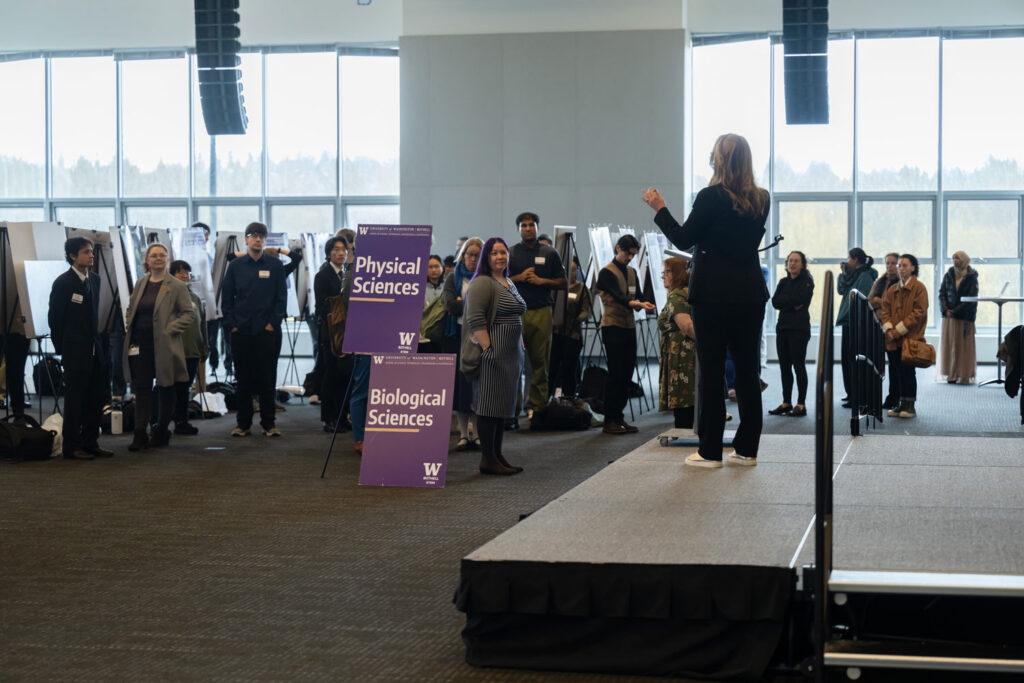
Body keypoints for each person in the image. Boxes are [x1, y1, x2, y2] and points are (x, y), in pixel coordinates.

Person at [642, 133, 770, 468]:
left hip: (712, 294)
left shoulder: (711, 196)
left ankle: (710, 452)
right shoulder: (762, 199)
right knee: (747, 370)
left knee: (711, 372)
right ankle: (747, 451)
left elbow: (684, 239)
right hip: (749, 293)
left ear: (719, 160)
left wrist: (660, 209)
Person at [122, 244, 194, 450]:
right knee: (142, 388)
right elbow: (131, 309)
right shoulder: (140, 284)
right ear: (147, 260)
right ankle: (139, 434)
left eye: (162, 255)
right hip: (140, 345)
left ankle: (161, 430)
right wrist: (130, 325)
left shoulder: (176, 286)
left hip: (165, 345)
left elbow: (189, 313)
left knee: (165, 386)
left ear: (167, 259)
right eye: (154, 256)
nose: (158, 259)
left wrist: (169, 330)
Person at [463, 238, 525, 475]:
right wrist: (489, 349)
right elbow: (475, 318)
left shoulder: (508, 281)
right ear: (486, 257)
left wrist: (520, 343)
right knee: (488, 407)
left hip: (511, 355)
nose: (500, 256)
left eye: (504, 252)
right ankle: (487, 459)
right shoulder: (482, 283)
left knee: (502, 407)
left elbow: (517, 315)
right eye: (495, 253)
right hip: (493, 355)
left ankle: (497, 455)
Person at [48, 237, 113, 460]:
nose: (91, 255)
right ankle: (72, 446)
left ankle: (90, 442)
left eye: (92, 251)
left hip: (95, 349)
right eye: (86, 252)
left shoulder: (95, 279)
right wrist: (63, 349)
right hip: (74, 351)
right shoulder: (63, 283)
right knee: (75, 401)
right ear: (73, 256)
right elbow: (55, 320)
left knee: (95, 398)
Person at [221, 222, 287, 437]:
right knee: (243, 380)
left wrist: (272, 324)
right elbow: (227, 298)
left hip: (266, 330)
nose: (257, 239)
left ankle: (269, 424)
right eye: (253, 236)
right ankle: (243, 424)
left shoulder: (275, 266)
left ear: (265, 240)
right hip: (241, 331)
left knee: (267, 379)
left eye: (261, 236)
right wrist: (232, 325)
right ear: (246, 240)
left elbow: (281, 299)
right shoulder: (236, 266)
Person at [508, 212, 567, 419]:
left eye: (531, 225)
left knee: (541, 362)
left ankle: (538, 408)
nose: (527, 228)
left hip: (542, 311)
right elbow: (499, 282)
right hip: (516, 313)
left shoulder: (549, 253)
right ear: (518, 229)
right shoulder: (510, 253)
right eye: (523, 225)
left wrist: (542, 282)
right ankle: (511, 411)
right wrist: (520, 278)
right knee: (513, 362)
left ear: (537, 227)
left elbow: (563, 283)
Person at [596, 234, 656, 434]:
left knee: (627, 374)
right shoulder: (605, 273)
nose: (630, 258)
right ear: (618, 248)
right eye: (628, 253)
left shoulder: (631, 272)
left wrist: (644, 302)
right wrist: (637, 304)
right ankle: (609, 420)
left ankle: (618, 417)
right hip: (612, 327)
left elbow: (637, 295)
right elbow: (620, 297)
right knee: (616, 374)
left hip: (629, 327)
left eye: (633, 255)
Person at [442, 237, 483, 450]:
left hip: (479, 336)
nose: (473, 259)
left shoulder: (485, 278)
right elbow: (449, 304)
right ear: (463, 255)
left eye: (477, 255)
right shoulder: (453, 277)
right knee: (459, 387)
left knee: (476, 385)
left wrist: (463, 303)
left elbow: (487, 306)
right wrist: (468, 305)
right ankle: (463, 434)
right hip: (456, 335)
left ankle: (476, 433)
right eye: (469, 254)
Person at [880, 254, 928, 418]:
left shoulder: (919, 288)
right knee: (896, 371)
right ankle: (901, 404)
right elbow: (884, 310)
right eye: (900, 265)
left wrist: (898, 330)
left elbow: (919, 313)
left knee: (908, 371)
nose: (901, 268)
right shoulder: (892, 289)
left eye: (905, 265)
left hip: (910, 337)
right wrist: (888, 329)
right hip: (892, 339)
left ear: (913, 268)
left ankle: (910, 406)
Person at [314, 236, 353, 433]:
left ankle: (342, 417)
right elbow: (320, 306)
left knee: (345, 376)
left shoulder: (348, 273)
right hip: (330, 333)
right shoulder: (322, 275)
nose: (341, 253)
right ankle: (328, 419)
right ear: (329, 253)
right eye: (336, 249)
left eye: (344, 249)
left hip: (348, 331)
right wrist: (340, 302)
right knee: (330, 374)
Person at [769, 251, 815, 417]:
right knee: (784, 367)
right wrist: (791, 302)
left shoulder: (807, 281)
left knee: (798, 365)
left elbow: (799, 300)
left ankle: (801, 404)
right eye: (790, 260)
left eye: (796, 261)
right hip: (783, 328)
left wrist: (786, 301)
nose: (793, 263)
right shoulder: (783, 282)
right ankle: (786, 402)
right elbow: (775, 302)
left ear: (803, 264)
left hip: (799, 329)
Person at [169, 260, 209, 436]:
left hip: (193, 350)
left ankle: (181, 422)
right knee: (170, 388)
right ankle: (161, 423)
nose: (185, 276)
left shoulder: (194, 298)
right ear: (172, 274)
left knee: (185, 388)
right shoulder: (167, 295)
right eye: (181, 273)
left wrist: (204, 348)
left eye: (187, 273)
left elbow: (202, 325)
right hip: (173, 350)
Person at [836, 247, 878, 408]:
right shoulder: (850, 274)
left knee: (855, 360)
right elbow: (841, 290)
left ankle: (858, 396)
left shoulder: (866, 276)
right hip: (847, 321)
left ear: (856, 260)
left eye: (849, 258)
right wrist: (843, 274)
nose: (847, 261)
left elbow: (863, 299)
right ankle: (850, 393)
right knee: (847, 359)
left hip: (858, 323)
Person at [658, 257, 696, 429]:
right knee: (688, 401)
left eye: (667, 272)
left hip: (682, 359)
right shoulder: (683, 293)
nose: (662, 276)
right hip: (684, 356)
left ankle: (685, 441)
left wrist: (710, 343)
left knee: (684, 402)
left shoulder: (676, 296)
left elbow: (688, 326)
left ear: (678, 274)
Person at [549, 257, 591, 399]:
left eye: (573, 270)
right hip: (555, 334)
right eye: (567, 270)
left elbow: (587, 311)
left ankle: (569, 398)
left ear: (577, 271)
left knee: (569, 368)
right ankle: (548, 398)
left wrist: (578, 319)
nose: (570, 273)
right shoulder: (556, 287)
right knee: (552, 369)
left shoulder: (582, 289)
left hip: (573, 335)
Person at [938, 250, 979, 385]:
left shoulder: (972, 277)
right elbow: (942, 293)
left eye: (958, 258)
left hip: (964, 317)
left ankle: (963, 374)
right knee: (949, 346)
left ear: (965, 261)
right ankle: (950, 374)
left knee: (963, 347)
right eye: (953, 258)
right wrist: (945, 309)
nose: (955, 261)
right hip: (949, 317)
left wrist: (955, 311)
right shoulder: (949, 274)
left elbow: (970, 299)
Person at [868, 253, 901, 408]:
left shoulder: (901, 282)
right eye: (887, 263)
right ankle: (874, 396)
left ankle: (894, 397)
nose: (890, 266)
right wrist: (880, 303)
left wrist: (880, 301)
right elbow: (869, 300)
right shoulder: (880, 281)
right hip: (877, 325)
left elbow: (893, 306)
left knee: (895, 365)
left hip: (892, 328)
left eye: (893, 263)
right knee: (877, 363)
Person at [419, 254, 445, 353]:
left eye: (436, 266)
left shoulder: (447, 285)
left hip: (443, 332)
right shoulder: (420, 287)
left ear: (442, 267)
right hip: (425, 332)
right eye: (430, 267)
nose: (434, 270)